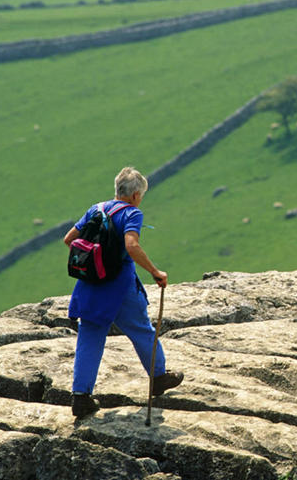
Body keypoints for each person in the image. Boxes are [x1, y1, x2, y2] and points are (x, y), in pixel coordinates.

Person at [63, 167, 183, 418]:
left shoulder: (96, 209)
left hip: (90, 284)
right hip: (119, 285)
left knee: (90, 336)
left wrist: (96, 256)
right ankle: (158, 377)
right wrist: (154, 271)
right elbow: (132, 245)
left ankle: (81, 397)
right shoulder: (131, 213)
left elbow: (69, 239)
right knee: (141, 329)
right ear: (136, 195)